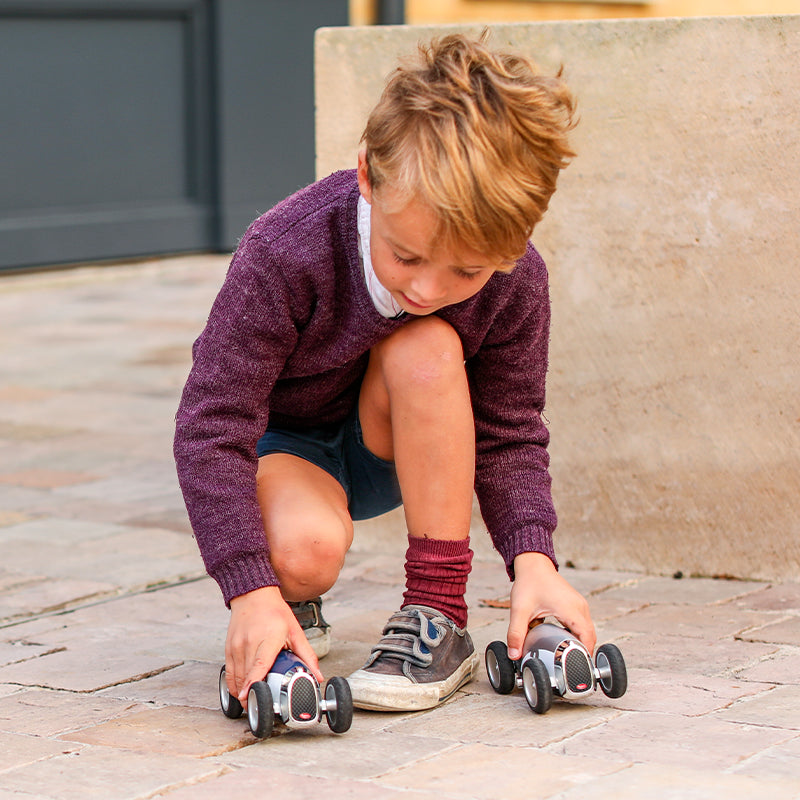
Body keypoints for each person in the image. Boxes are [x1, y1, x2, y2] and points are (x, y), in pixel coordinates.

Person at [173, 31, 596, 713]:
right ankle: (287, 607)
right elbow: (211, 425)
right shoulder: (285, 251)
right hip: (293, 448)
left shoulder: (516, 278)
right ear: (369, 176)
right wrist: (250, 591)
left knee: (423, 342)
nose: (427, 287)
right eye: (406, 256)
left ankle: (436, 613)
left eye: (465, 271)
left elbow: (509, 429)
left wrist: (535, 563)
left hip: (401, 442)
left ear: (516, 240)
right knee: (302, 554)